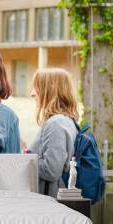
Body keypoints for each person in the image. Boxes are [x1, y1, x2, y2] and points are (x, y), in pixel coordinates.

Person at [25, 68, 79, 197]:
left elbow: (51, 170)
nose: (33, 93)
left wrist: (25, 159)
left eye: (37, 87)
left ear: (50, 90)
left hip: (50, 200)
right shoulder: (64, 121)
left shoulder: (56, 124)